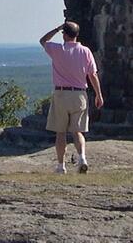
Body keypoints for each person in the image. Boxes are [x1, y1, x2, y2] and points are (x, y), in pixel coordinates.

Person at [39, 21, 103, 174]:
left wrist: (56, 28)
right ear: (77, 34)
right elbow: (92, 75)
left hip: (61, 93)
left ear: (64, 34)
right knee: (78, 131)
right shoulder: (85, 51)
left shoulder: (58, 49)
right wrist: (98, 94)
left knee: (60, 132)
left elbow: (43, 41)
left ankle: (61, 166)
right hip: (80, 93)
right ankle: (82, 158)